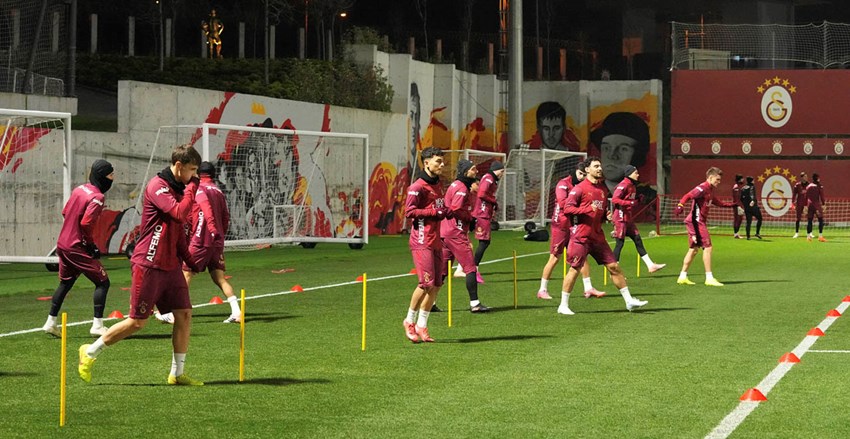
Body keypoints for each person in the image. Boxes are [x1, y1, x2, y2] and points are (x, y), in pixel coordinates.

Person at [78, 144, 204, 386]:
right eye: (192, 170)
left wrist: (189, 260)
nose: (194, 175)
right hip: (149, 263)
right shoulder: (158, 186)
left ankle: (177, 374)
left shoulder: (179, 189)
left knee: (184, 314)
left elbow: (177, 231)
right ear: (179, 166)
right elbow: (178, 213)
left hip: (171, 266)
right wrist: (193, 187)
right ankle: (90, 351)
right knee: (138, 322)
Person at [556, 157, 648, 315]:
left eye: (600, 166)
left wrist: (606, 216)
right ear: (587, 170)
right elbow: (567, 209)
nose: (600, 168)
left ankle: (629, 301)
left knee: (614, 267)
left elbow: (600, 210)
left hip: (597, 237)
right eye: (596, 166)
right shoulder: (579, 189)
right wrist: (586, 210)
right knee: (575, 269)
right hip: (580, 237)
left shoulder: (602, 190)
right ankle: (563, 305)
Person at [155, 161, 239, 324]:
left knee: (184, 274)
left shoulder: (197, 189)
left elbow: (190, 217)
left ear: (198, 173)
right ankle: (236, 311)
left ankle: (173, 312)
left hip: (201, 240)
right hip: (216, 242)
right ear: (213, 174)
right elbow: (225, 217)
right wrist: (219, 236)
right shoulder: (218, 191)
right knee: (219, 278)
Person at [42, 160, 115, 338]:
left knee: (65, 283)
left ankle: (50, 322)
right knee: (103, 282)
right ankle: (97, 325)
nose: (113, 178)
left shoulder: (79, 189)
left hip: (63, 244)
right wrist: (90, 245)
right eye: (111, 175)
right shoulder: (97, 197)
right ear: (102, 176)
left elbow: (65, 212)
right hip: (76, 246)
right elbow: (86, 223)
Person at [536, 160, 605, 301]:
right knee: (555, 257)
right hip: (560, 225)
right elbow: (563, 204)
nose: (582, 177)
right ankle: (542, 289)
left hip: (574, 225)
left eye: (584, 175)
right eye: (580, 174)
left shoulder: (581, 186)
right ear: (575, 172)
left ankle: (588, 288)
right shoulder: (563, 184)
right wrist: (585, 207)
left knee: (582, 255)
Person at [402, 147, 446, 343]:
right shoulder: (417, 187)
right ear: (426, 162)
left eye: (442, 161)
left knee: (436, 285)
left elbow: (438, 207)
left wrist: (447, 211)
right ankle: (409, 320)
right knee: (426, 283)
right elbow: (409, 212)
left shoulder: (438, 184)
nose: (442, 165)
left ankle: (422, 325)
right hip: (422, 240)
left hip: (436, 240)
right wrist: (433, 213)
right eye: (438, 161)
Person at [441, 160, 489, 313]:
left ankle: (430, 302)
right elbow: (456, 209)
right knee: (470, 267)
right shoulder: (461, 188)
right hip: (456, 233)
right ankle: (475, 303)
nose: (476, 172)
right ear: (465, 171)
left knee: (442, 271)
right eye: (473, 169)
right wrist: (470, 218)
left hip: (445, 232)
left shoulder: (455, 185)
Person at [675, 167, 735, 287]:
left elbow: (718, 203)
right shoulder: (702, 188)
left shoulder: (710, 190)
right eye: (717, 179)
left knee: (693, 250)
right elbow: (688, 195)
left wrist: (732, 205)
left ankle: (682, 277)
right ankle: (709, 278)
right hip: (696, 222)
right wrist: (680, 205)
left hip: (697, 222)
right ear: (710, 177)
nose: (719, 182)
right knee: (708, 247)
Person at [610, 165, 666, 272]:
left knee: (637, 239)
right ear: (629, 174)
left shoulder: (633, 186)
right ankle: (614, 271)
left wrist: (638, 200)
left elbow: (630, 200)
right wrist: (630, 203)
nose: (638, 174)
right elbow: (615, 199)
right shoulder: (623, 185)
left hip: (628, 218)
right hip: (621, 218)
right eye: (635, 173)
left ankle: (650, 265)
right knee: (619, 243)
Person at [589, 112, 651, 195]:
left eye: (623, 149)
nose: (612, 155)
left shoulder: (647, 196)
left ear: (636, 155)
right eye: (606, 148)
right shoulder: (588, 191)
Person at [472, 160, 505, 283]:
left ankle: (467, 268)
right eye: (502, 171)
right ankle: (474, 270)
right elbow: (481, 194)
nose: (502, 174)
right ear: (497, 170)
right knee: (484, 242)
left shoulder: (491, 179)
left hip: (484, 213)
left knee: (481, 242)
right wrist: (493, 201)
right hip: (482, 214)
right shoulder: (489, 178)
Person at [805, 173, 826, 242]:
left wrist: (805, 206)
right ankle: (820, 236)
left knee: (809, 220)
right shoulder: (819, 186)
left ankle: (808, 237)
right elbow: (822, 196)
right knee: (820, 220)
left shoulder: (808, 186)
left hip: (809, 205)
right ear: (817, 178)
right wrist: (823, 204)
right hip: (816, 205)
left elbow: (806, 196)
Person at [792, 172, 808, 238]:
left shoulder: (809, 185)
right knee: (798, 218)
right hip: (799, 204)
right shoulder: (797, 185)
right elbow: (794, 195)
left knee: (809, 218)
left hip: (807, 204)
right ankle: (796, 233)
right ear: (802, 177)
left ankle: (809, 233)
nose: (806, 178)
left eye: (806, 176)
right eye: (805, 176)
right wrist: (792, 203)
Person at [731, 174, 745, 239]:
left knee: (739, 219)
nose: (743, 180)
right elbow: (736, 198)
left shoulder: (738, 186)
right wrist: (738, 206)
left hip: (739, 205)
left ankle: (736, 233)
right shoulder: (736, 187)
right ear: (739, 179)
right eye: (742, 179)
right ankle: (736, 234)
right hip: (737, 205)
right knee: (737, 219)